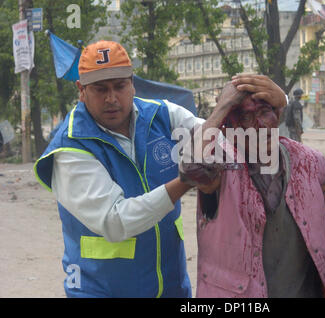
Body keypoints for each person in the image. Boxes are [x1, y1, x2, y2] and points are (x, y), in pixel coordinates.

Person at [33, 40, 287, 297]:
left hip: (171, 288)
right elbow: (115, 221)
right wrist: (186, 181)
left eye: (119, 86)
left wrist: (277, 103)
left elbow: (228, 144)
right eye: (100, 89)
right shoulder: (70, 146)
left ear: (132, 83)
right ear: (81, 90)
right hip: (101, 291)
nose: (111, 98)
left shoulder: (162, 116)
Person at [180, 81, 325, 298]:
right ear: (230, 130)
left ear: (277, 115)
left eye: (264, 112)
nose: (260, 124)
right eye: (246, 118)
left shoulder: (311, 164)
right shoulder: (221, 167)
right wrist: (223, 106)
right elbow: (189, 169)